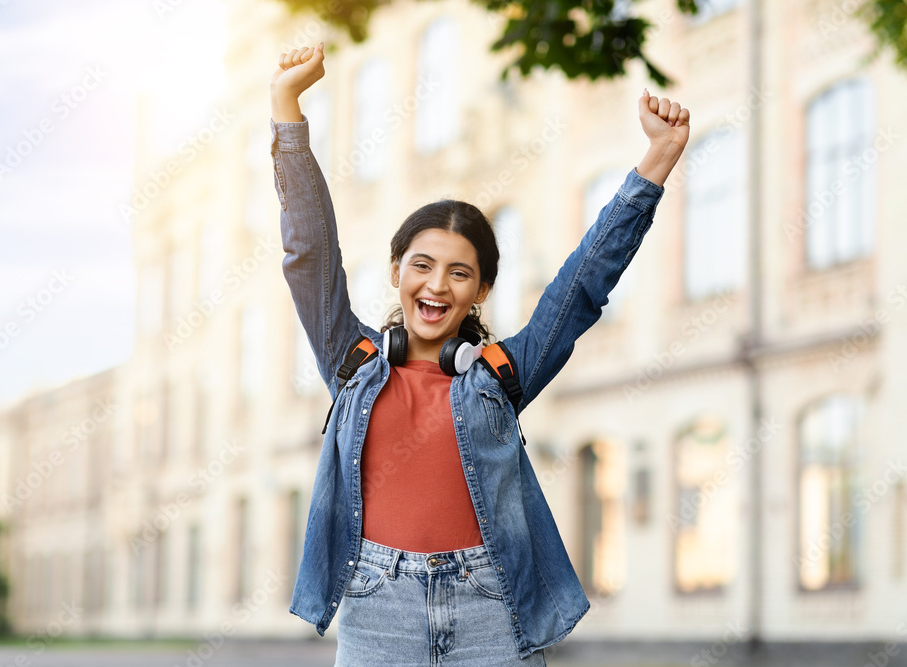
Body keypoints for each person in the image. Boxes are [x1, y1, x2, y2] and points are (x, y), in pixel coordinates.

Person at [270, 42, 690, 666]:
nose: (437, 285)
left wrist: (656, 161)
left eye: (459, 273)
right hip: (378, 607)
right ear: (395, 271)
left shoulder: (501, 376)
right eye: (422, 265)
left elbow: (581, 287)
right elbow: (311, 256)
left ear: (481, 290)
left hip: (491, 607)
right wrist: (287, 112)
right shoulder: (351, 363)